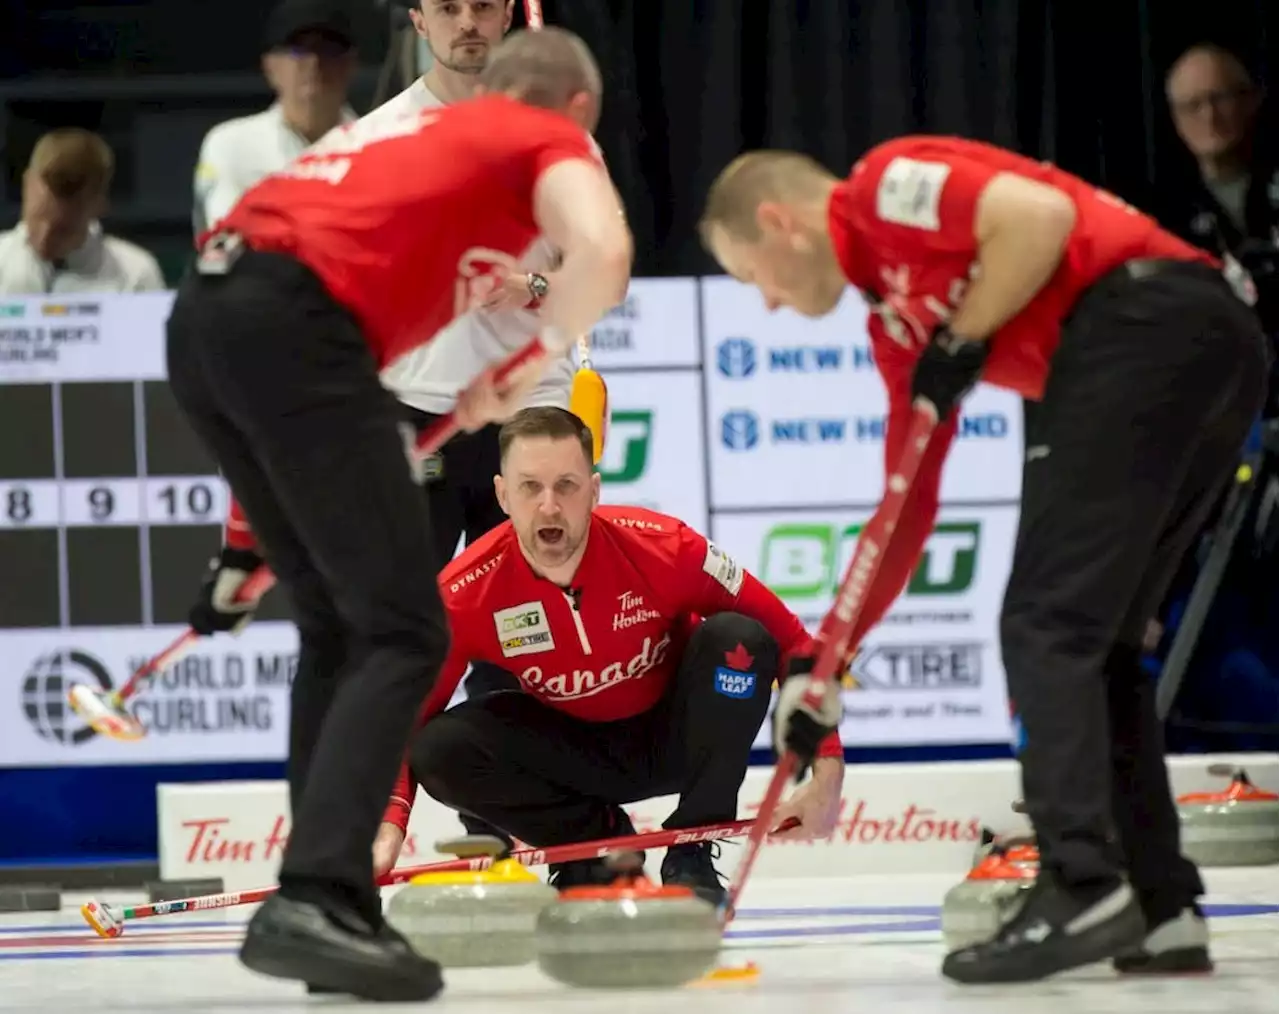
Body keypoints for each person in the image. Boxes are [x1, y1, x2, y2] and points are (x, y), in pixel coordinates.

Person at [698, 138, 1268, 983]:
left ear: (778, 224)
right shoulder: (893, 328)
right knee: (1099, 645)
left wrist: (962, 337)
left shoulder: (883, 188)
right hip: (1205, 358)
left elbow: (1039, 219)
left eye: (756, 280)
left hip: (1151, 323)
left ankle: (1081, 880)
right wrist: (826, 659)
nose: (771, 306)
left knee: (1044, 623)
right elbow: (905, 509)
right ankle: (1161, 905)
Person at [165, 27, 632, 1002]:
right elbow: (605, 253)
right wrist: (516, 370)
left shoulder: (383, 142)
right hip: (299, 329)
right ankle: (316, 895)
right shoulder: (540, 133)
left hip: (203, 317)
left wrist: (247, 541)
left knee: (340, 629)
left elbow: (257, 287)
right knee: (405, 630)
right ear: (577, 113)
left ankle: (326, 904)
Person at [370, 406, 845, 907]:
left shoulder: (666, 547)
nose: (549, 507)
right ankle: (591, 848)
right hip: (568, 754)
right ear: (503, 496)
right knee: (437, 747)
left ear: (594, 491)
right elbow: (405, 719)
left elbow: (794, 641)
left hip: (676, 737)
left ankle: (693, 848)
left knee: (740, 640)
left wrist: (828, 770)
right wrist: (388, 826)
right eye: (530, 488)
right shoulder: (463, 594)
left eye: (567, 486)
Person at [193, 0, 360, 236]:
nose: (313, 62)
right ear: (270, 66)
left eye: (327, 48)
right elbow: (228, 240)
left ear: (351, 63)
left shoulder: (381, 144)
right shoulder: (230, 144)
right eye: (298, 49)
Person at [0, 128, 164, 294]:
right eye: (36, 221)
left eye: (63, 230)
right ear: (26, 184)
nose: (44, 240)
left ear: (100, 206)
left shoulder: (135, 276)